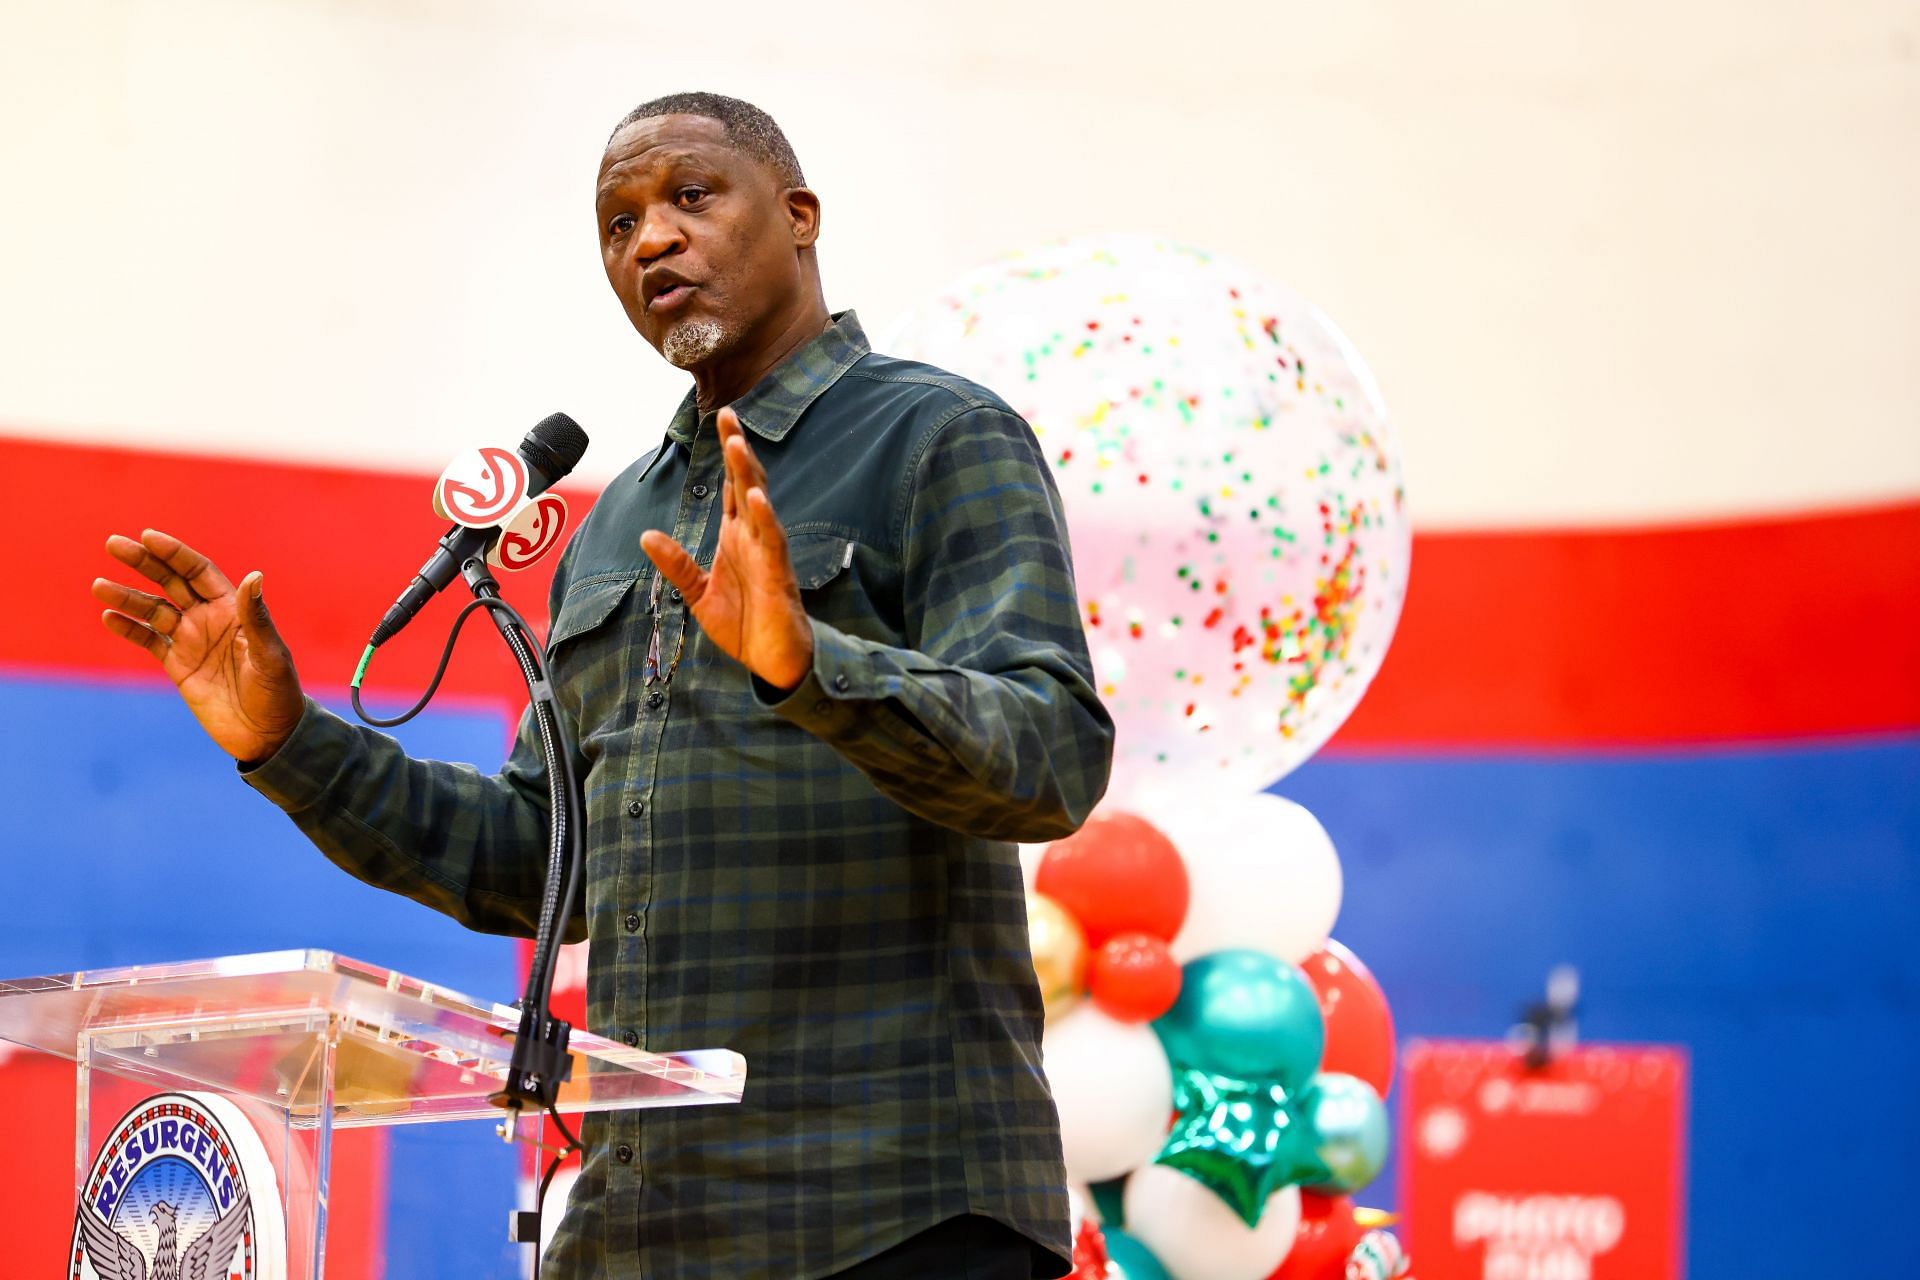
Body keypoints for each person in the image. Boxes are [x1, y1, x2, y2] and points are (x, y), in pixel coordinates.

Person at [90, 91, 1113, 1279]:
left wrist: (808, 662)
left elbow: (1051, 755)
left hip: (894, 1209)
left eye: (690, 196)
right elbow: (538, 859)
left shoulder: (939, 436)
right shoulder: (613, 520)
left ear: (799, 217)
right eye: (617, 224)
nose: (651, 240)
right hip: (647, 1226)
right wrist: (287, 742)